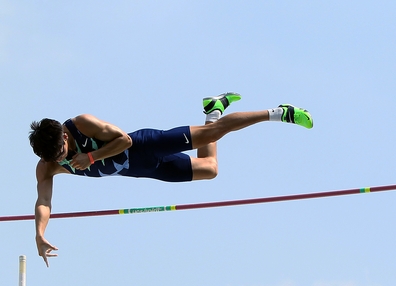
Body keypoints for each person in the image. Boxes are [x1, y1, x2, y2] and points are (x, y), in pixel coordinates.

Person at [29, 93, 313, 266]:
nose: (60, 160)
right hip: (146, 170)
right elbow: (44, 201)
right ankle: (213, 110)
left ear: (64, 136)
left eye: (61, 152)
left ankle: (278, 113)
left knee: (212, 136)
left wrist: (90, 158)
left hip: (146, 146)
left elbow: (124, 140)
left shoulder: (81, 124)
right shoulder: (48, 165)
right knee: (210, 169)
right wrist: (40, 234)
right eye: (54, 158)